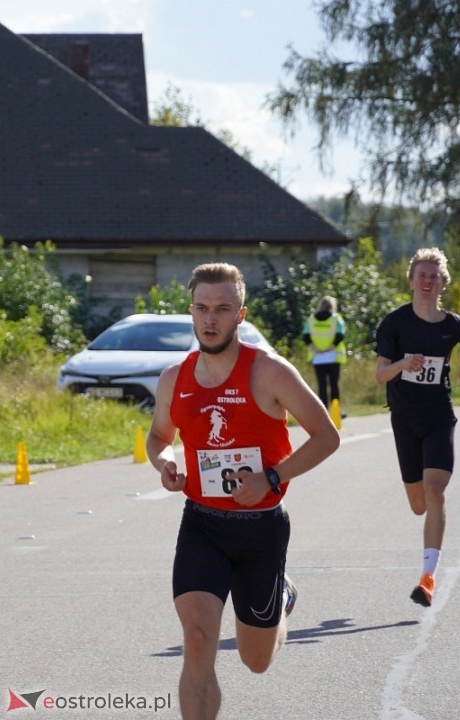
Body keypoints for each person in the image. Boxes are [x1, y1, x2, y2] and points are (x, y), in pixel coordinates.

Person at [146, 263, 340, 720]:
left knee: (256, 661)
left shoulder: (269, 372)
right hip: (202, 525)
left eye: (222, 309)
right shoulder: (175, 378)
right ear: (191, 312)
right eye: (202, 308)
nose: (210, 319)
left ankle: (281, 597)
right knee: (197, 641)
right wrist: (165, 462)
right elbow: (157, 437)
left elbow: (327, 437)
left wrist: (271, 478)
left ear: (240, 314)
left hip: (261, 529)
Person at [373, 248, 460, 608]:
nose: (427, 281)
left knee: (435, 491)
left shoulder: (453, 325)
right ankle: (428, 563)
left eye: (434, 277)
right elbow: (380, 374)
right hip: (404, 419)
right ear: (411, 281)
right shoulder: (394, 323)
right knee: (418, 504)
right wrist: (402, 364)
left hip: (439, 415)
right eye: (422, 275)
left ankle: (427, 578)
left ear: (442, 284)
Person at [302, 295, 347, 410]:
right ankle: (336, 411)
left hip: (317, 356)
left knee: (322, 386)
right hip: (333, 355)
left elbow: (306, 336)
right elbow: (340, 335)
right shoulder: (336, 319)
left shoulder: (311, 319)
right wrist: (330, 348)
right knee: (334, 384)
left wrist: (315, 348)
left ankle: (324, 410)